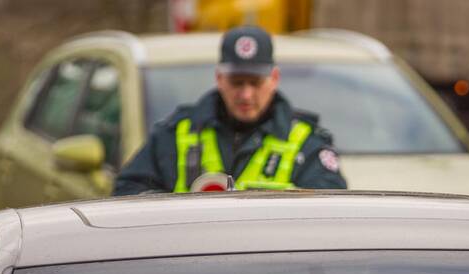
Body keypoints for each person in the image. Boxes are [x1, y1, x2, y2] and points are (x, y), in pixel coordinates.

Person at [114, 25, 347, 195]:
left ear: (274, 79)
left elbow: (330, 213)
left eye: (255, 83)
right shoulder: (175, 134)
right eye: (237, 82)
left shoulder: (307, 143)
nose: (245, 94)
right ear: (219, 78)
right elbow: (127, 195)